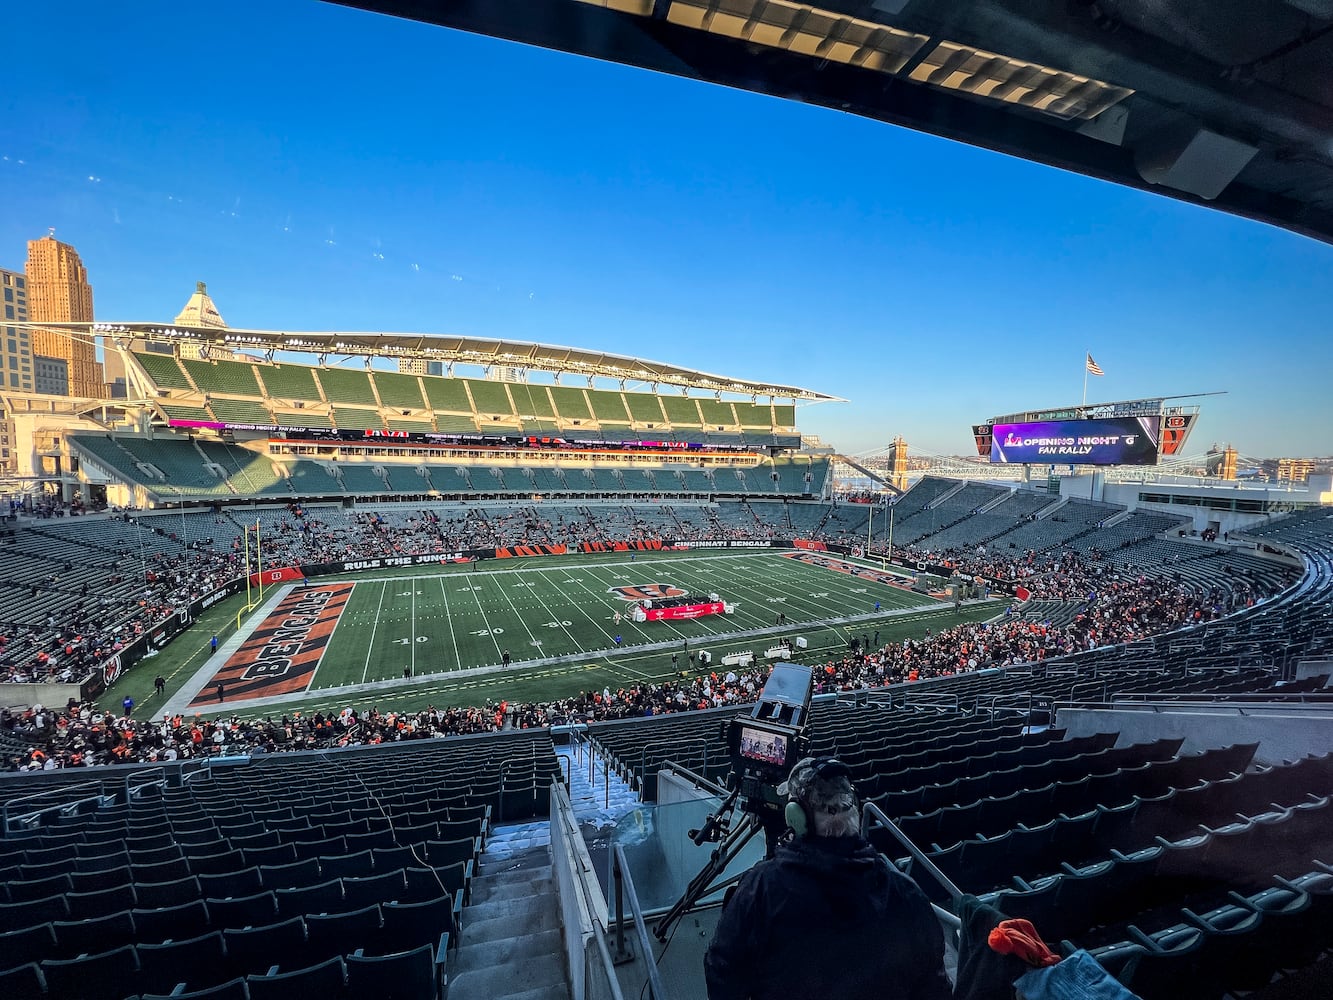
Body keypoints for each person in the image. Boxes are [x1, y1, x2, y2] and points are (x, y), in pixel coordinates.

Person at [704, 757, 951, 1000]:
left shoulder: (759, 890)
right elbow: (935, 986)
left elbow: (723, 971)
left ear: (796, 817)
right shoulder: (907, 894)